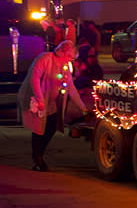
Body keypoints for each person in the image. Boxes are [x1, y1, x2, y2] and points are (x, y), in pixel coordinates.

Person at [17, 40, 87, 172]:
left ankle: (39, 154)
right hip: (36, 99)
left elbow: (70, 87)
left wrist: (83, 108)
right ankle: (37, 158)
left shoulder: (65, 65)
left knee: (52, 126)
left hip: (51, 101)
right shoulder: (45, 59)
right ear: (63, 52)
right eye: (70, 57)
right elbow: (35, 78)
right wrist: (40, 98)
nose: (71, 60)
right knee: (38, 129)